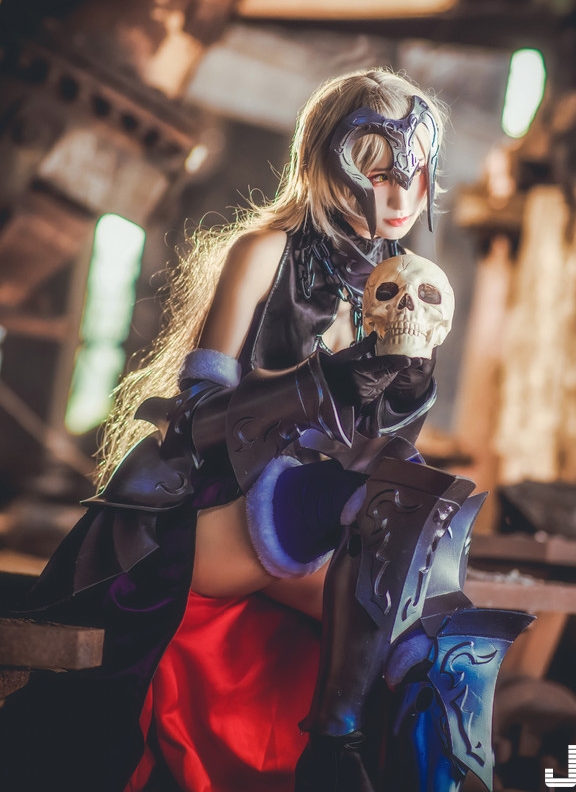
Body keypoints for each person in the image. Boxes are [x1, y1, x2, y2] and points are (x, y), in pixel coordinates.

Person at [1, 68, 528, 792]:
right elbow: (196, 422)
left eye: (414, 175)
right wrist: (325, 384)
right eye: (379, 174)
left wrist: (406, 389)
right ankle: (335, 745)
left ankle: (386, 759)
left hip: (317, 524)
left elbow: (381, 456)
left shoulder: (404, 285)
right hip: (204, 520)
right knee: (391, 558)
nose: (401, 197)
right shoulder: (264, 252)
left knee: (431, 622)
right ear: (328, 164)